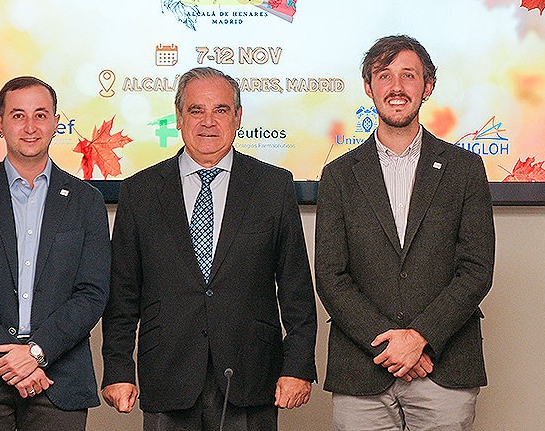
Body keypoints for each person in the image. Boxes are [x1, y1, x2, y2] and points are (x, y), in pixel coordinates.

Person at [101, 67, 317, 431]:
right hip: (167, 374)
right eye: (196, 110)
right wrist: (118, 369)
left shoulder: (273, 186)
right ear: (179, 118)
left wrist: (297, 367)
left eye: (220, 110)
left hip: (251, 375)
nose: (208, 122)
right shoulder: (140, 191)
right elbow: (122, 294)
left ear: (238, 118)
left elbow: (296, 288)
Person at [315, 35, 495, 431]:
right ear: (369, 87)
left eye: (408, 76)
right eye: (384, 75)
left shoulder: (465, 169)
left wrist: (421, 339)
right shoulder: (339, 175)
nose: (396, 87)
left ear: (427, 86)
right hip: (362, 370)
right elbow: (330, 276)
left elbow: (477, 270)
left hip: (444, 368)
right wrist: (392, 343)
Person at [0, 76, 111, 431]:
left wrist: (35, 352)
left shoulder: (86, 201)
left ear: (56, 123)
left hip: (59, 377)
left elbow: (93, 293)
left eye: (41, 115)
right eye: (18, 115)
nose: (30, 127)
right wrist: (10, 356)